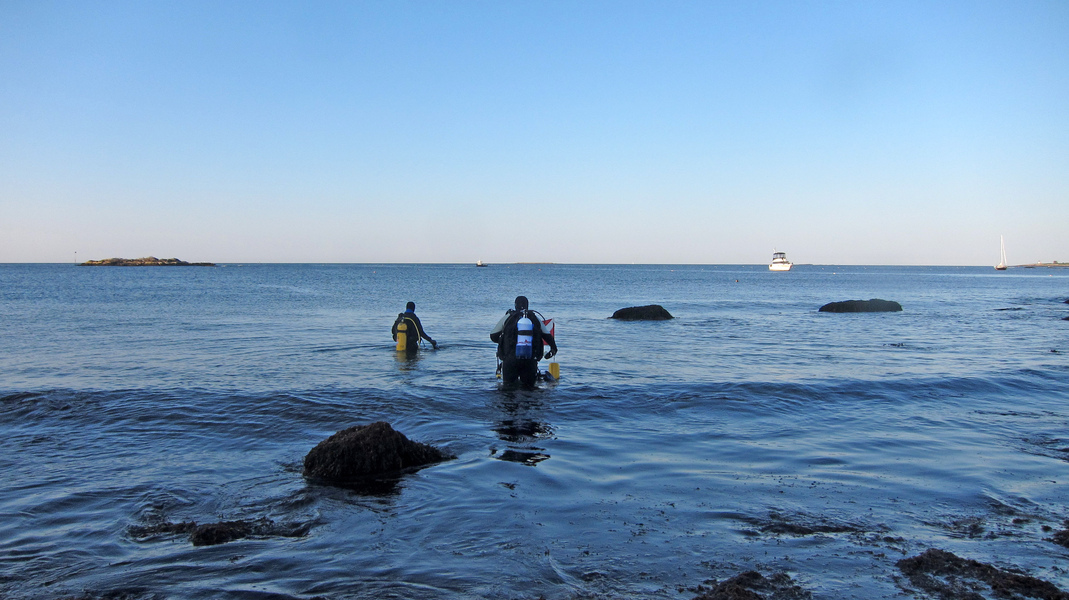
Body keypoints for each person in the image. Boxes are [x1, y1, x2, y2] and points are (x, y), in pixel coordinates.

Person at [490, 295, 557, 387]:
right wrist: (553, 349)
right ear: (527, 305)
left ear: (515, 305)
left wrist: (505, 340)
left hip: (510, 360)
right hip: (530, 359)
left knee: (508, 388)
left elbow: (493, 336)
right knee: (529, 388)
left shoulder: (508, 317)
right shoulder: (534, 318)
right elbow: (547, 336)